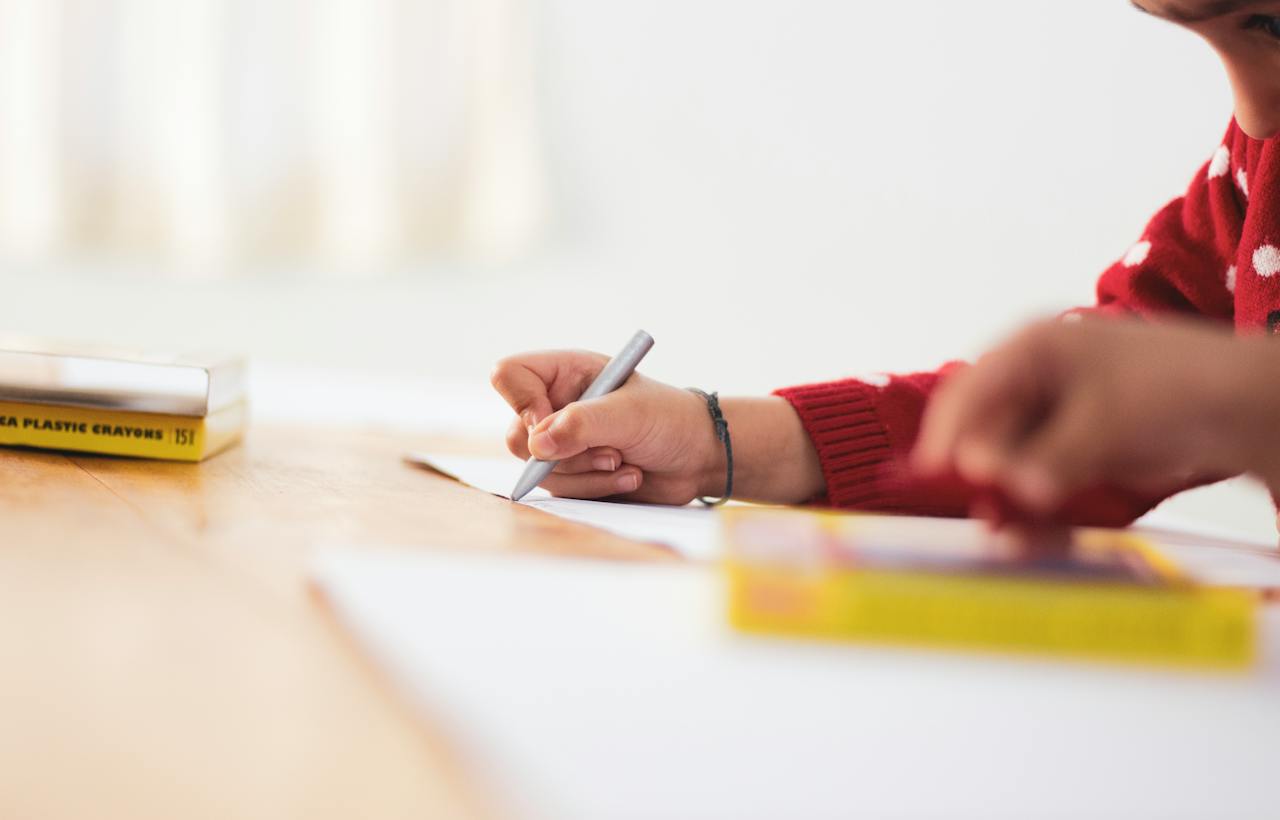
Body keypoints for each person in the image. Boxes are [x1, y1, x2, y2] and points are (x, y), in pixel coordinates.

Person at [490, 0, 1280, 527]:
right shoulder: (1256, 171)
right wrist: (710, 441)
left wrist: (1250, 400)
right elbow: (1089, 413)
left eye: (1268, 25)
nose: (1250, 112)